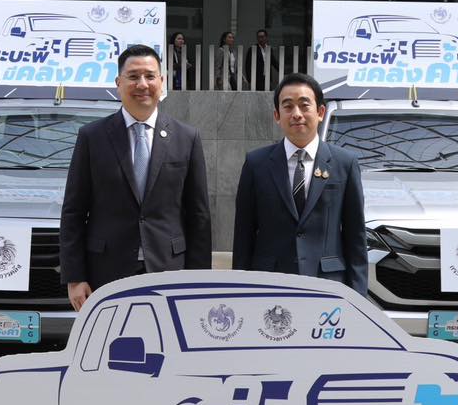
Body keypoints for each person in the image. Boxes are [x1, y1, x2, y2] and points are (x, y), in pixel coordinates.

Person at [59, 44, 213, 310]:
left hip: (169, 269)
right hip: (105, 271)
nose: (142, 84)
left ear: (162, 82)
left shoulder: (187, 137)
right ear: (118, 83)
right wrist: (75, 277)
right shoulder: (92, 137)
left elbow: (198, 216)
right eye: (133, 76)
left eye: (150, 76)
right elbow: (73, 212)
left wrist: (198, 281)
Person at [232, 72, 368, 294]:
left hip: (327, 285)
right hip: (269, 283)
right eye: (288, 106)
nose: (296, 114)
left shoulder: (345, 163)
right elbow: (243, 236)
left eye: (304, 105)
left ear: (320, 112)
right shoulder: (256, 164)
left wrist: (357, 296)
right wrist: (240, 291)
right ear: (277, 115)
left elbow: (356, 238)